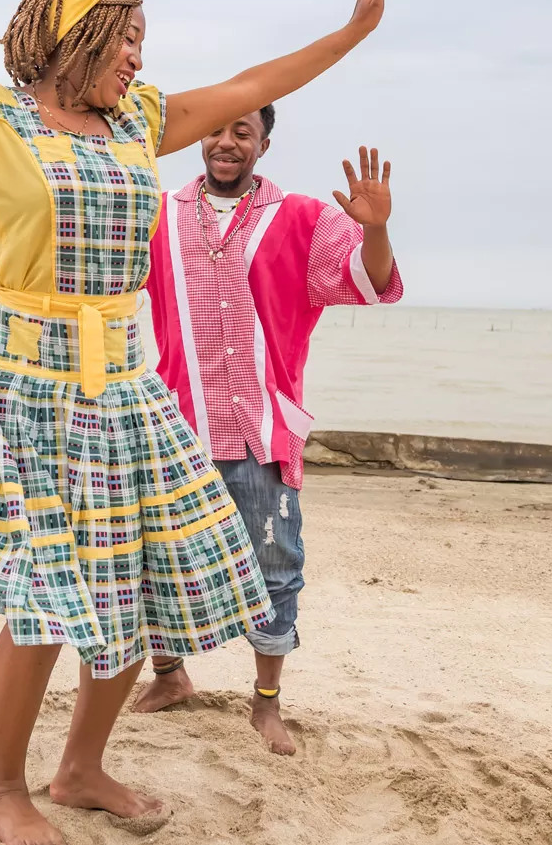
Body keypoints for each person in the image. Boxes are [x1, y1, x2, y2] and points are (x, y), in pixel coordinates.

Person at [0, 0, 390, 843]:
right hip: (20, 386)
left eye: (142, 39)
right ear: (78, 38)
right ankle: (3, 788)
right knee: (47, 597)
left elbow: (254, 86)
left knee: (143, 580)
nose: (139, 55)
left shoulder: (138, 125)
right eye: (125, 38)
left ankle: (80, 767)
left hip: (125, 390)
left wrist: (347, 37)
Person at [134, 110, 403, 753]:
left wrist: (377, 229)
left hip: (262, 429)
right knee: (156, 560)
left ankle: (266, 704)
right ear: (200, 137)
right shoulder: (159, 214)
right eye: (216, 131)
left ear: (264, 143)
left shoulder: (304, 218)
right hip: (177, 423)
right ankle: (170, 676)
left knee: (276, 563)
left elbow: (371, 282)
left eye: (243, 132)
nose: (226, 142)